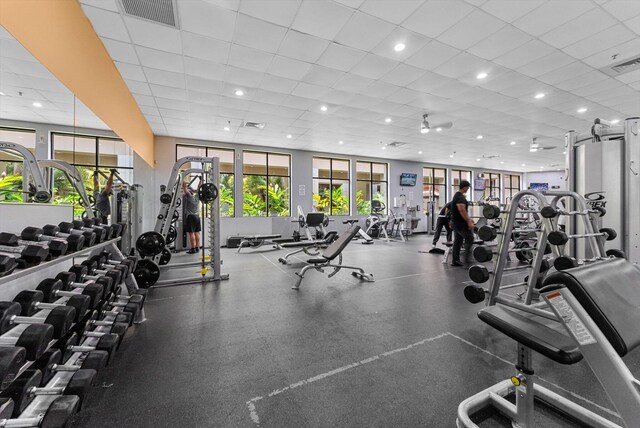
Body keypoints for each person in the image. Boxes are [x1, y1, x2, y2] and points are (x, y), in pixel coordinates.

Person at [450, 180, 475, 267]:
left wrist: (469, 219)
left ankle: (455, 260)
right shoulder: (460, 198)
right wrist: (468, 221)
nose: (468, 189)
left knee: (458, 241)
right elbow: (461, 210)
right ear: (465, 187)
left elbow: (461, 211)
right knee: (470, 238)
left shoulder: (456, 196)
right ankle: (467, 259)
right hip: (460, 224)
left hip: (456, 222)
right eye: (468, 187)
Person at [182, 180, 201, 254]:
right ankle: (197, 248)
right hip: (197, 216)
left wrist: (183, 181)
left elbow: (184, 188)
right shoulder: (197, 197)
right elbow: (199, 188)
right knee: (197, 233)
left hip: (191, 217)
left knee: (191, 233)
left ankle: (192, 249)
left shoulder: (189, 196)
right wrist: (200, 181)